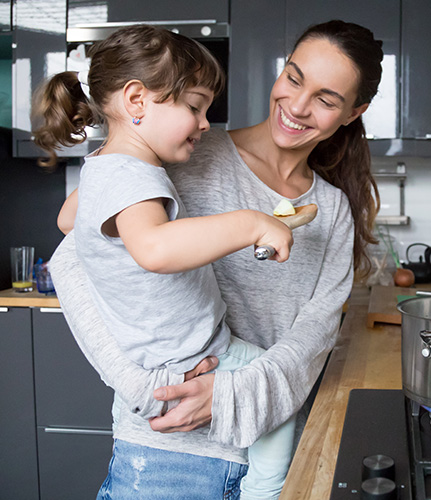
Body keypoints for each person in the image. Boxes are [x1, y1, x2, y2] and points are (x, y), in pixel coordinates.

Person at [47, 19, 382, 499]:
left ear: (354, 112)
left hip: (279, 448)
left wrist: (229, 398)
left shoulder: (332, 212)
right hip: (169, 453)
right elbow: (75, 259)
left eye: (327, 100)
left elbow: (314, 340)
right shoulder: (182, 152)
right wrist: (139, 384)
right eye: (293, 78)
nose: (298, 105)